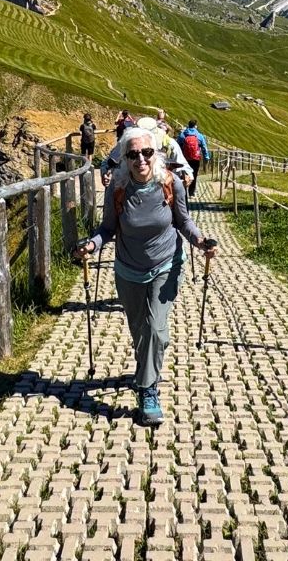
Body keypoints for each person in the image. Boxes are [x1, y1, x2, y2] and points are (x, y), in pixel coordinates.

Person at [75, 126, 216, 426]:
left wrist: (201, 242)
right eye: (133, 154)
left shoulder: (171, 183)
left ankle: (147, 390)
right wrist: (91, 245)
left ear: (156, 154)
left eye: (147, 152)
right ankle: (147, 369)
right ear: (125, 158)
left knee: (155, 328)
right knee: (142, 332)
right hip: (128, 270)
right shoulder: (118, 189)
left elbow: (183, 221)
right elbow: (107, 230)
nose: (141, 159)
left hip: (167, 264)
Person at [176, 120, 210, 196]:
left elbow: (178, 145)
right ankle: (191, 192)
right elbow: (204, 147)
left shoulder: (183, 134)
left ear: (188, 125)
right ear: (195, 126)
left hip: (185, 158)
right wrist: (206, 157)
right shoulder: (199, 135)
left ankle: (183, 191)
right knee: (194, 174)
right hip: (195, 158)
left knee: (184, 174)